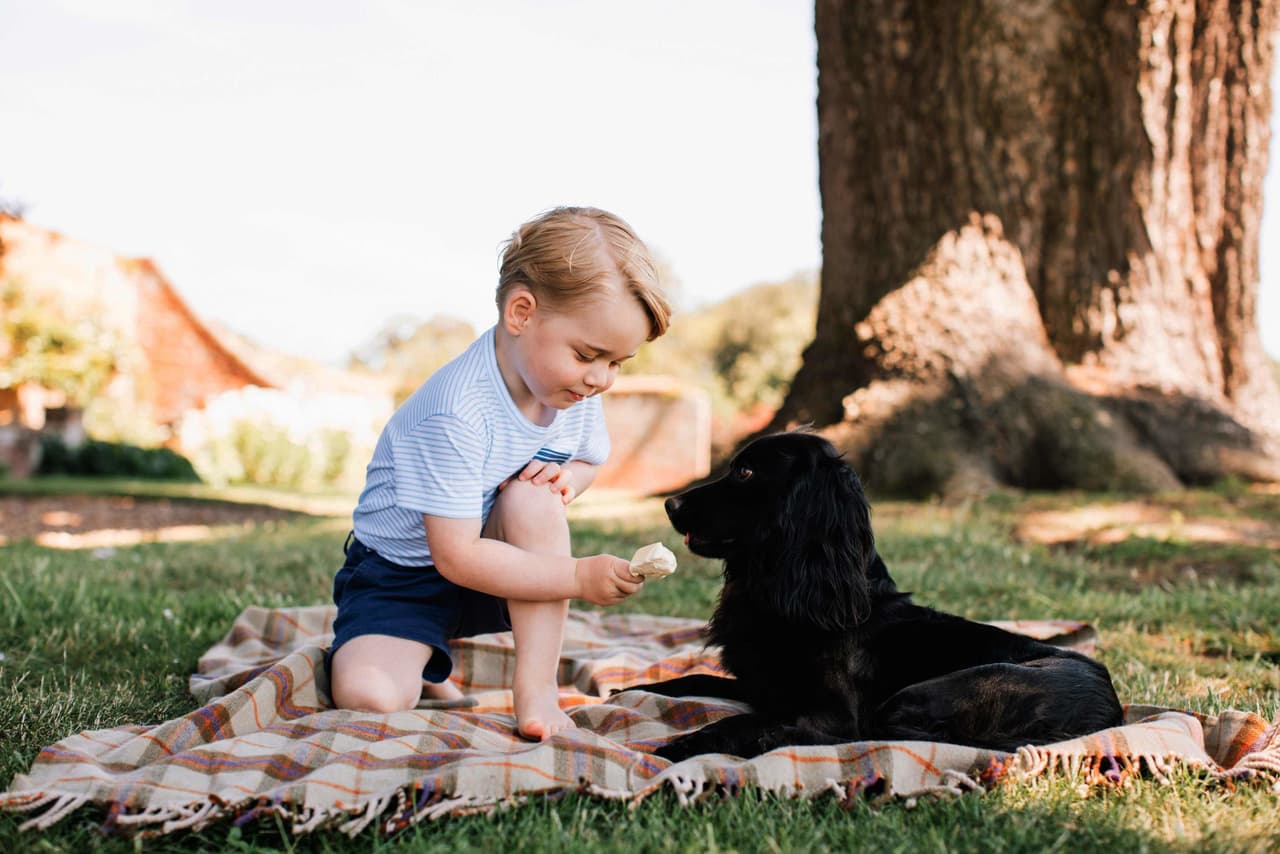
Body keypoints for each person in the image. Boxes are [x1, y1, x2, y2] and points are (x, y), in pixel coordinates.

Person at [327, 206, 671, 741]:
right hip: (404, 575)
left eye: (617, 363)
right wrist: (578, 577)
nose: (602, 378)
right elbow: (455, 556)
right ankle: (415, 655)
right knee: (370, 698)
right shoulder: (456, 412)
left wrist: (566, 483)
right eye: (589, 354)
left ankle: (536, 692)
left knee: (534, 501)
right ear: (521, 312)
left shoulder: (571, 389)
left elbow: (585, 461)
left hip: (499, 565)